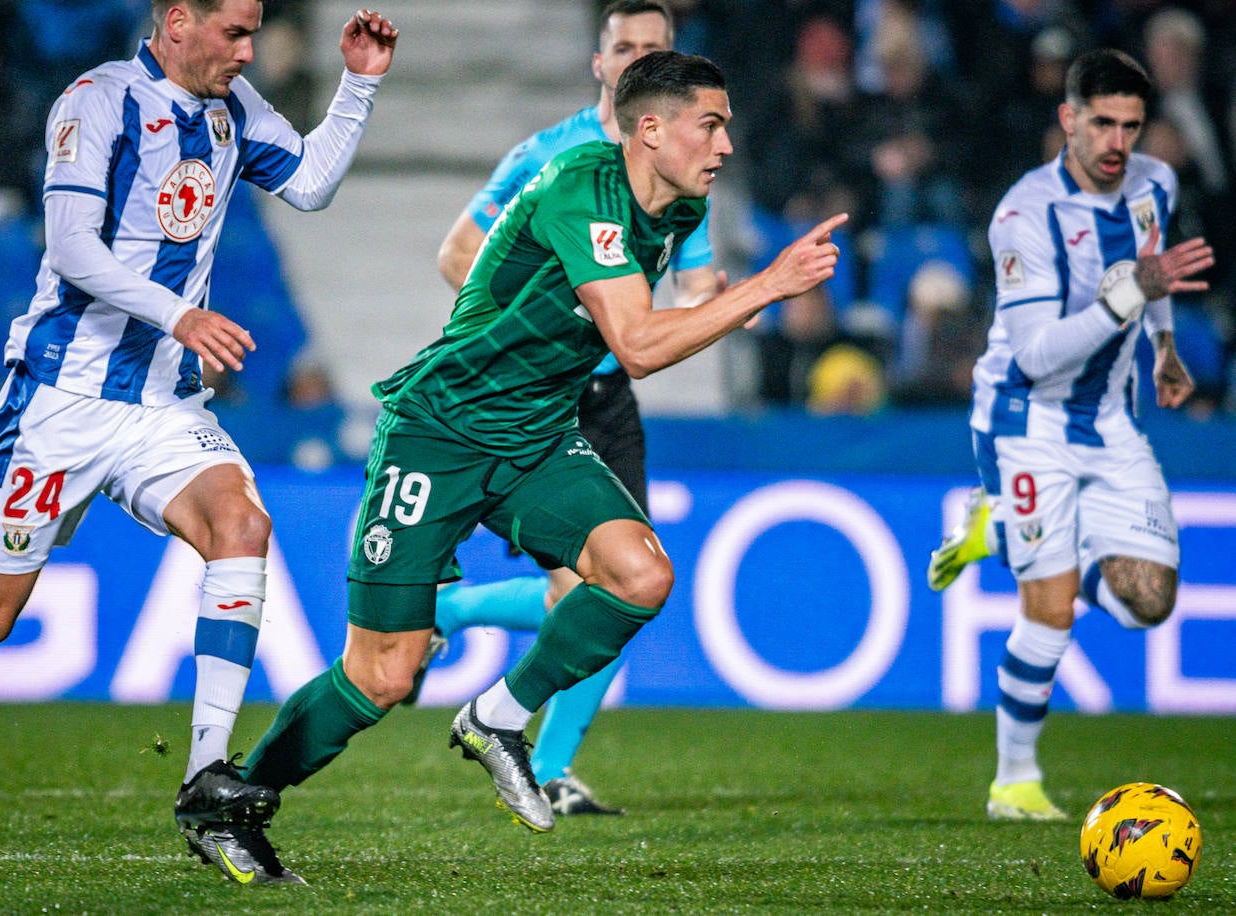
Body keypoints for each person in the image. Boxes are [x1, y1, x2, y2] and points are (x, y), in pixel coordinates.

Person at [222, 49, 845, 881]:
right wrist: (766, 288)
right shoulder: (580, 185)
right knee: (385, 672)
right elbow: (636, 343)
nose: (726, 144)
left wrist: (717, 302)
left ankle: (498, 717)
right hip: (439, 430)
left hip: (538, 432)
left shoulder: (677, 213)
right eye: (712, 123)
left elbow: (630, 326)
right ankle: (234, 803)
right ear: (650, 129)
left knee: (640, 574)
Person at [0, 0, 398, 885]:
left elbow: (308, 184)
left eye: (255, 31)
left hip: (158, 404)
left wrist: (359, 87)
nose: (249, 49)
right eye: (233, 31)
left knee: (243, 527)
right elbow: (73, 250)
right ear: (178, 20)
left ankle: (206, 782)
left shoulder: (231, 110)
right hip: (59, 408)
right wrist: (179, 312)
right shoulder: (98, 101)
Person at [413, 0, 720, 819]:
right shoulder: (547, 157)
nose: (636, 60)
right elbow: (456, 253)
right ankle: (465, 635)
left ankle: (544, 757)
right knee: (581, 590)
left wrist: (712, 297)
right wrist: (541, 330)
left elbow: (694, 280)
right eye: (624, 47)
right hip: (540, 393)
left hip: (610, 395)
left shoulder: (682, 169)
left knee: (626, 587)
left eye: (654, 50)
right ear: (598, 62)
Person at [931, 49, 1213, 820]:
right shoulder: (1027, 215)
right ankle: (1013, 782)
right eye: (1102, 123)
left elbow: (1152, 269)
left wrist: (1163, 345)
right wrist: (1132, 299)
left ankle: (1015, 538)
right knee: (1049, 609)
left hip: (1112, 417)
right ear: (1069, 120)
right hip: (1027, 419)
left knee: (1148, 601)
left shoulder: (1157, 182)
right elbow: (1035, 354)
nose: (1117, 141)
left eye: (1131, 125)